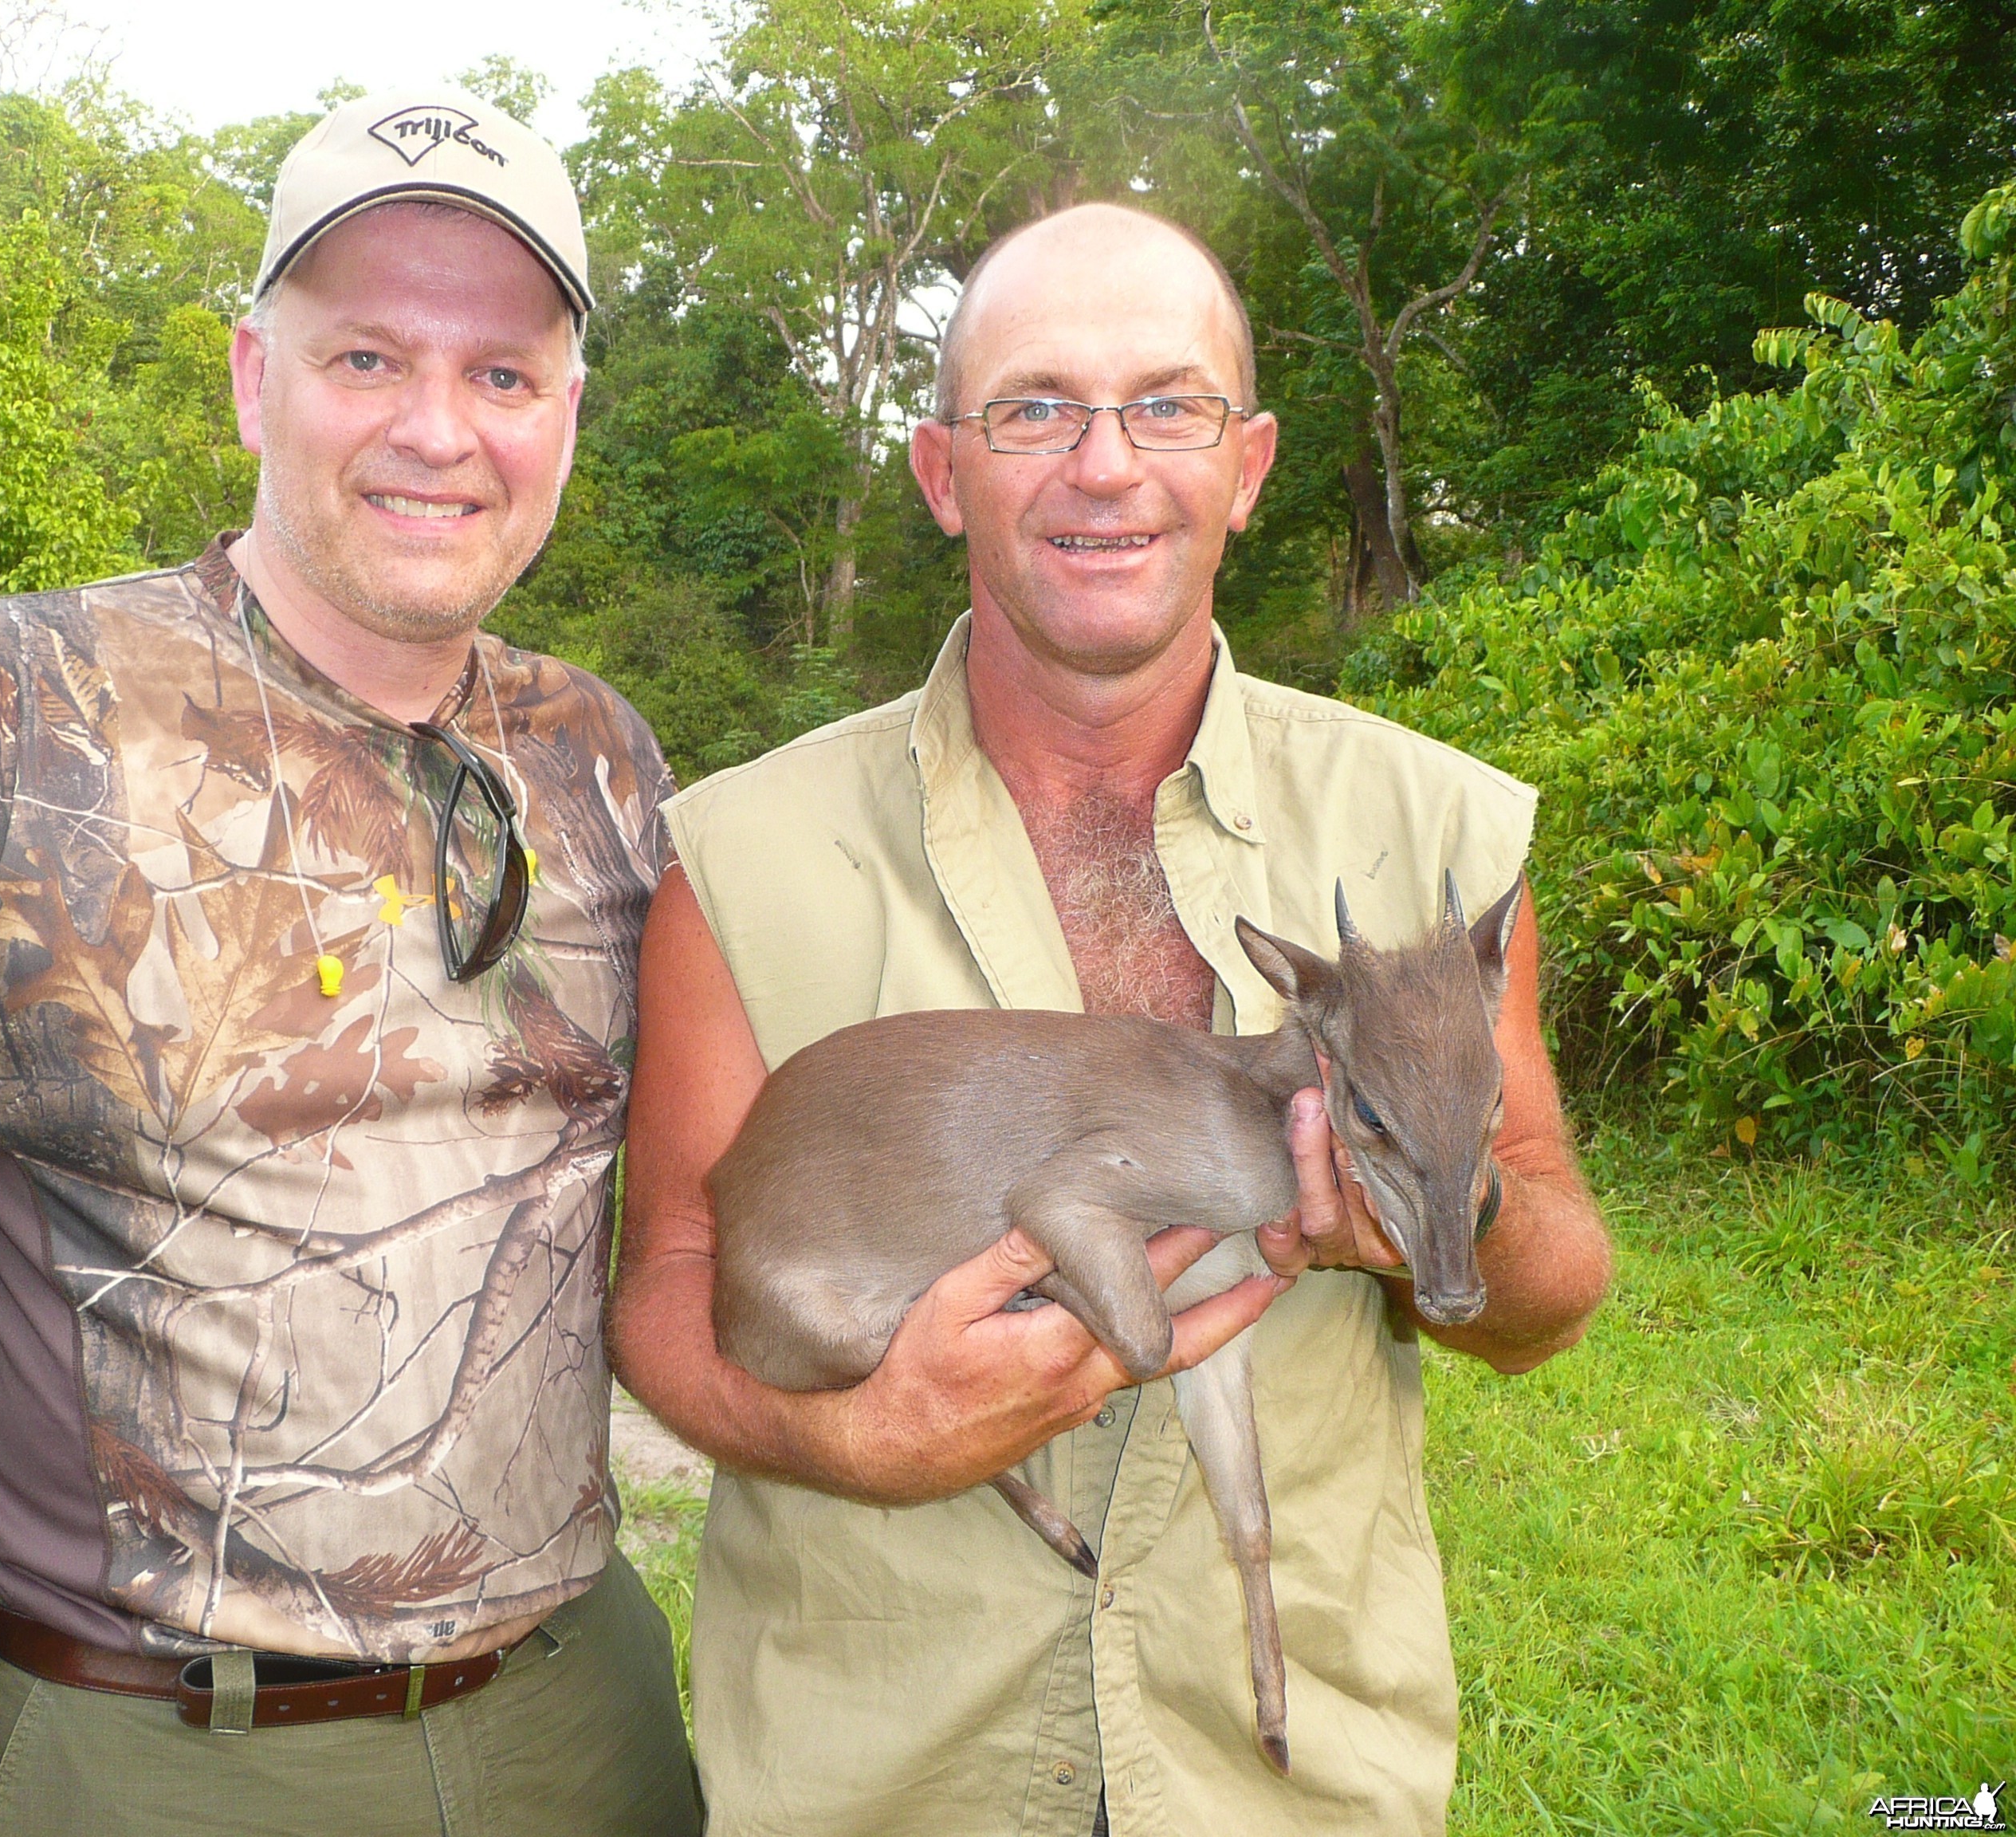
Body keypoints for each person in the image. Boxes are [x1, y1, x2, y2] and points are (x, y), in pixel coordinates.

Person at [0, 89, 701, 1837]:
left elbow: (711, 1216)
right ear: (252, 378)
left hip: (584, 1728)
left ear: (566, 415)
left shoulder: (599, 763)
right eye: (366, 357)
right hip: (162, 1763)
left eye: (502, 374)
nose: (439, 428)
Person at [611, 200, 1614, 1836]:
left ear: (1251, 462)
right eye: (1034, 411)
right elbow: (662, 1284)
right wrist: (858, 1438)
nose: (1103, 465)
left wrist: (1435, 1214)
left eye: (1167, 406)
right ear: (945, 474)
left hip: (1289, 1795)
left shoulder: (1434, 846)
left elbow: (1553, 1280)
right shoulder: (742, 856)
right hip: (878, 1784)